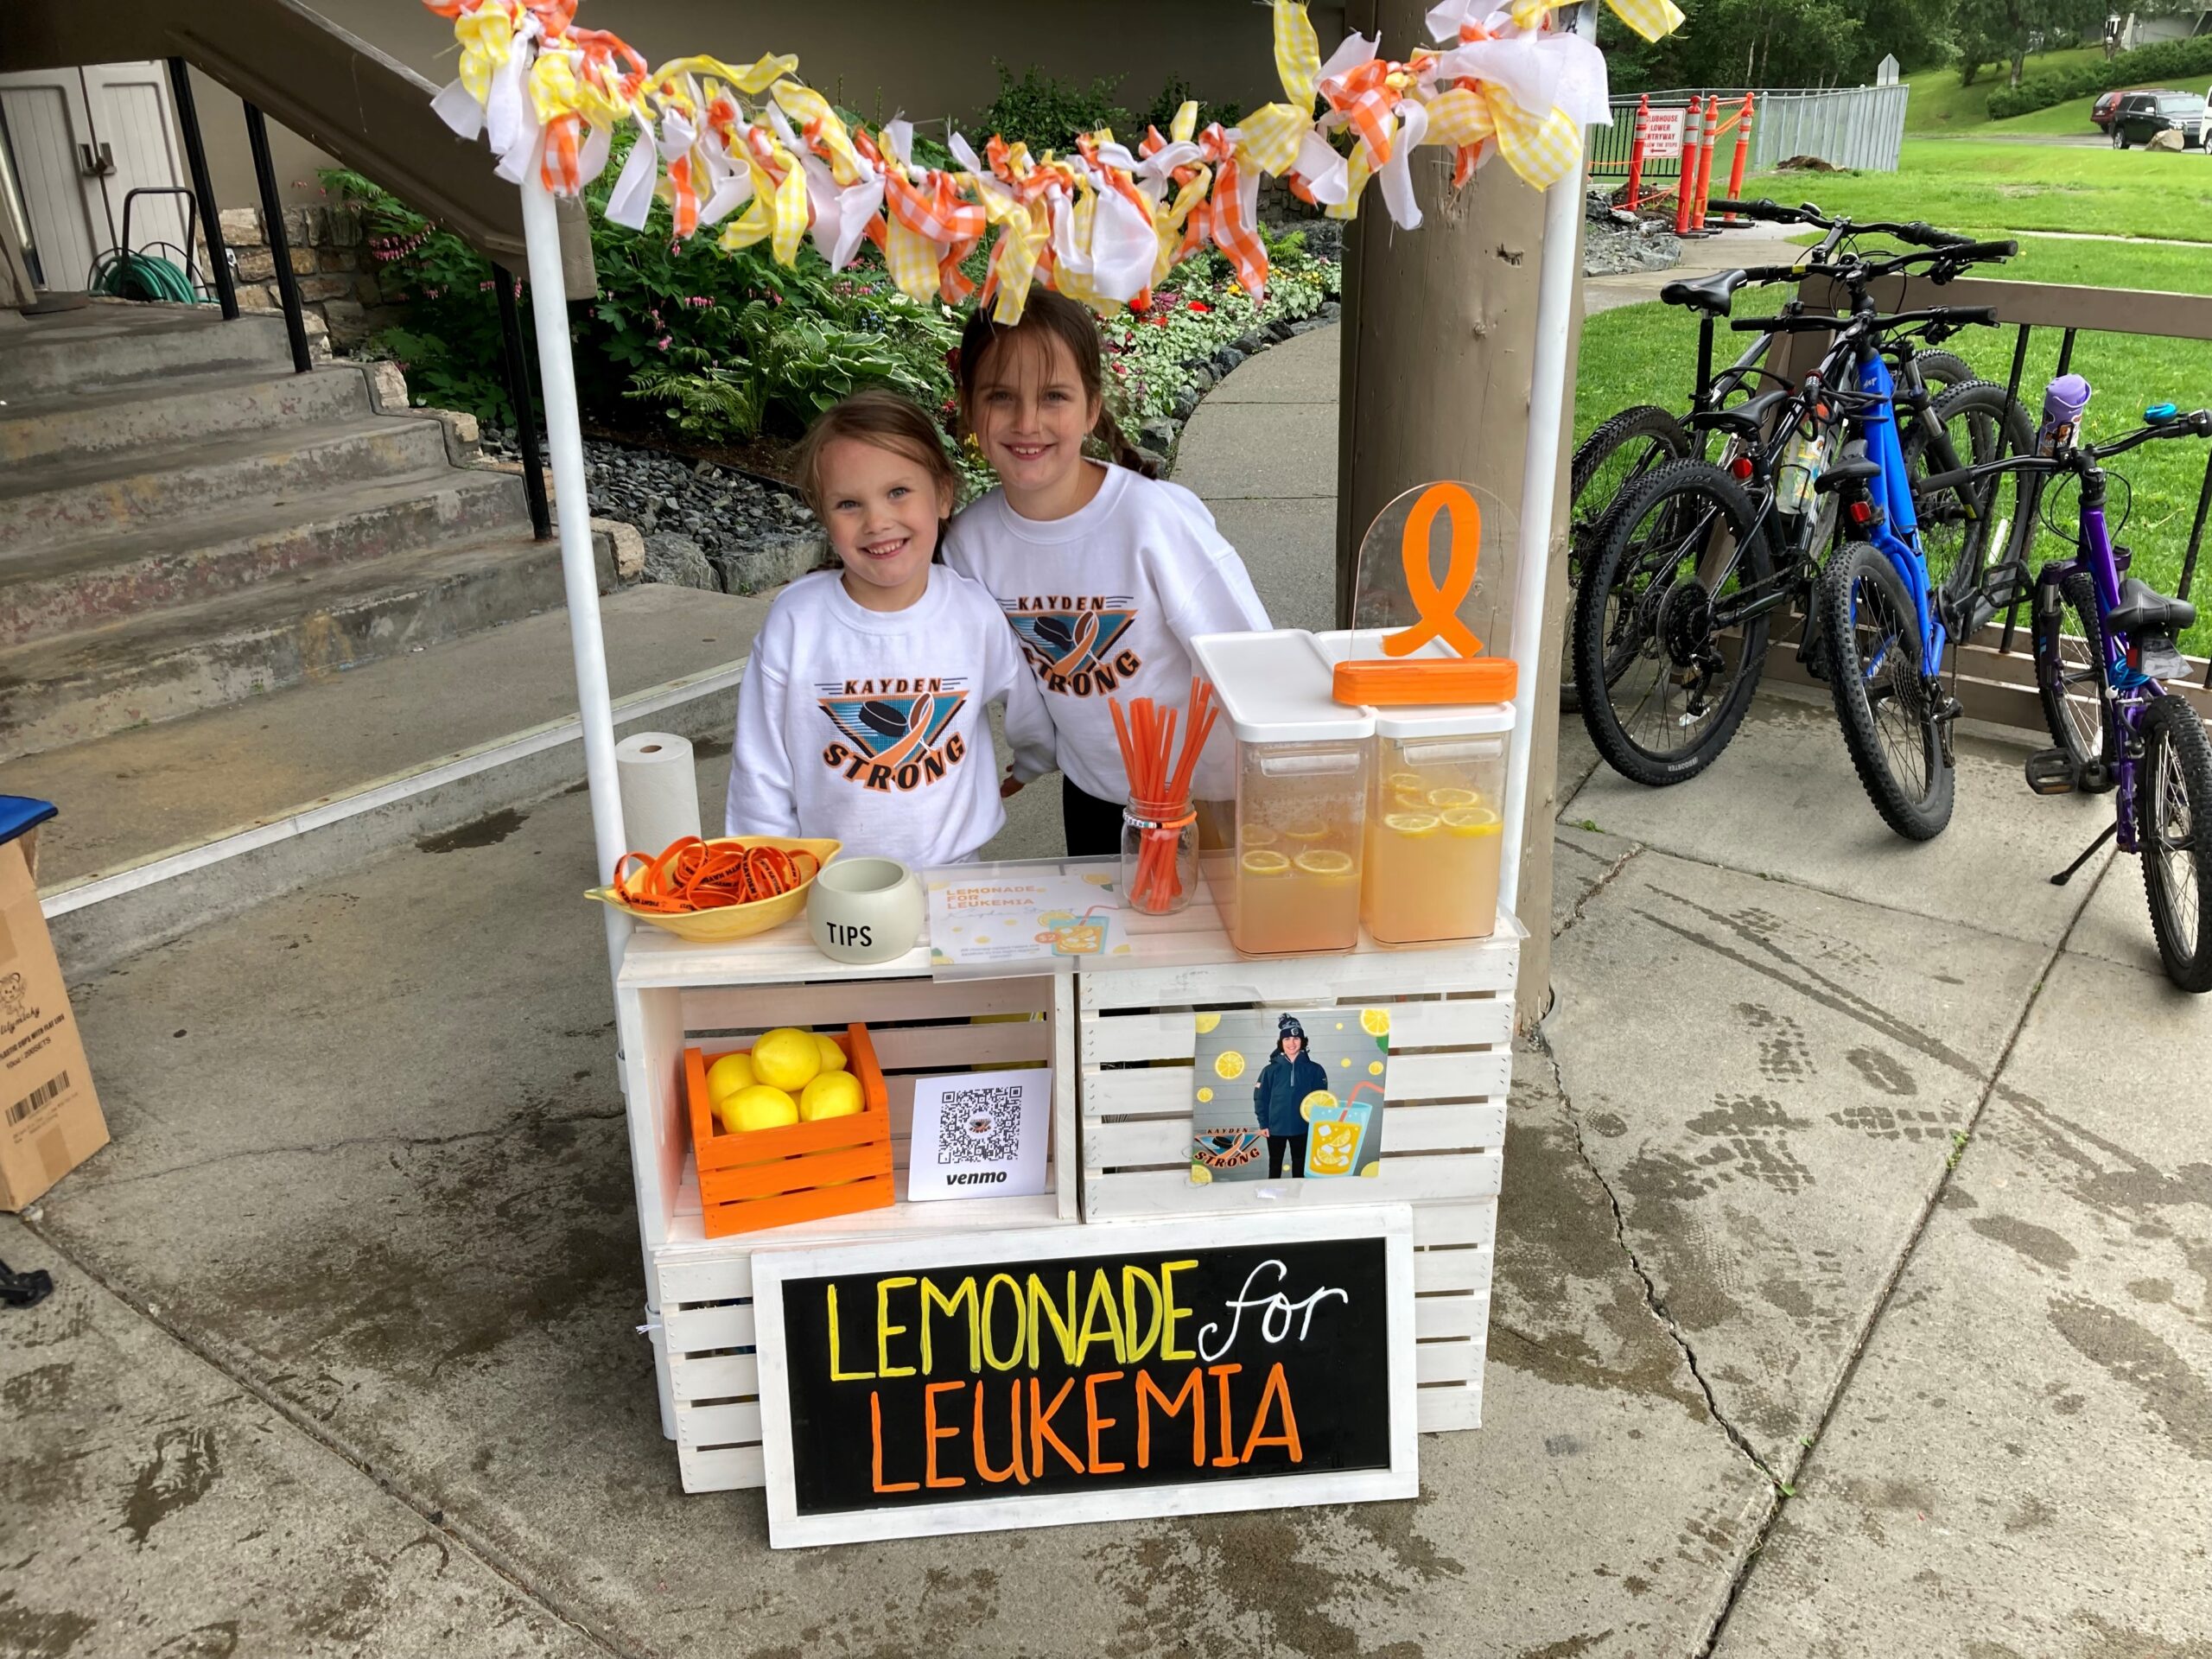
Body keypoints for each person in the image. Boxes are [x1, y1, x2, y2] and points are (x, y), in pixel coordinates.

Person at [944, 289, 1270, 857]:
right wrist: (1033, 757)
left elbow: (1251, 657)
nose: (1027, 422)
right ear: (969, 406)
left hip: (1208, 794)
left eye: (1054, 397)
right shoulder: (970, 544)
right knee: (1106, 941)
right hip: (1095, 793)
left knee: (1205, 944)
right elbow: (1009, 683)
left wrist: (1278, 780)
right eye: (1001, 396)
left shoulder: (1153, 519)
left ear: (1092, 407)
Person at [725, 389, 1055, 871]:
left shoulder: (973, 612)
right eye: (848, 503)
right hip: (831, 884)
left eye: (897, 492)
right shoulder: (795, 622)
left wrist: (1031, 761)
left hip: (956, 874)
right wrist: (765, 873)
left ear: (942, 494)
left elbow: (1028, 704)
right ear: (823, 514)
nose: (877, 521)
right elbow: (761, 766)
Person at [1251, 1014, 1329, 1179]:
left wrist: (1316, 1125)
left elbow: (1321, 1101)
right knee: (1275, 1166)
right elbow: (1260, 1098)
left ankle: (1299, 1200)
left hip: (1303, 1128)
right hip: (1274, 1129)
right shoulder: (1269, 1071)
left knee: (1300, 1168)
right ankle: (1272, 1200)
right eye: (1286, 1039)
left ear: (1302, 1041)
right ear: (1281, 1043)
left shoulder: (1315, 1070)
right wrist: (1263, 1123)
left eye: (1296, 1038)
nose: (1291, 1043)